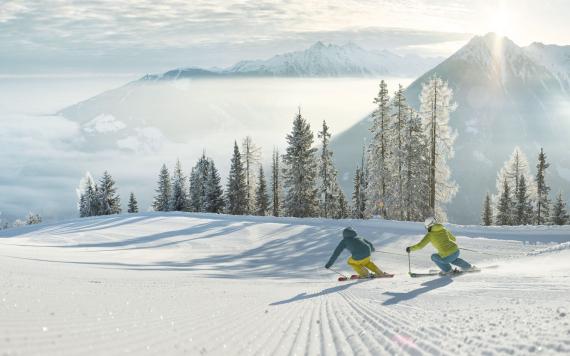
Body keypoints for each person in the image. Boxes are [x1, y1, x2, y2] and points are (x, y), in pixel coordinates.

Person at [406, 217, 476, 275]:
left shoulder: (430, 235)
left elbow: (420, 246)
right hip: (456, 251)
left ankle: (448, 270)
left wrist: (410, 248)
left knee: (433, 256)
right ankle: (468, 267)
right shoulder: (443, 229)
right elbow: (453, 239)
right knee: (453, 259)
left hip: (447, 255)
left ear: (428, 226)